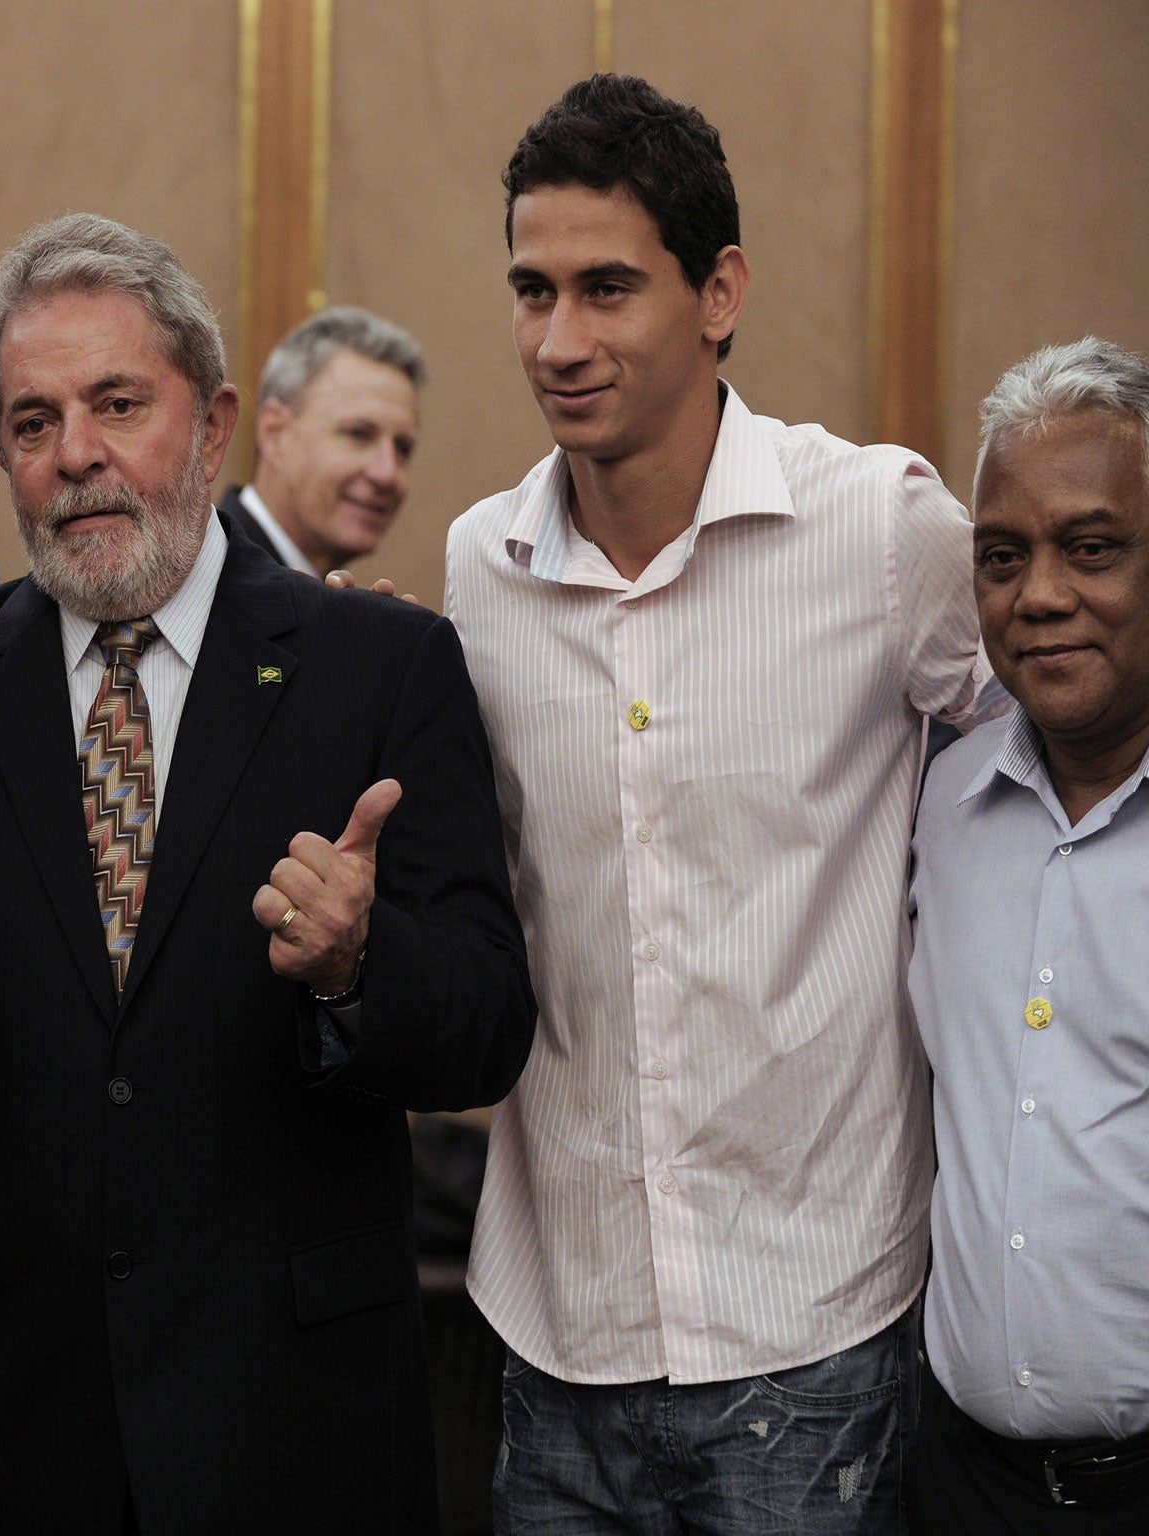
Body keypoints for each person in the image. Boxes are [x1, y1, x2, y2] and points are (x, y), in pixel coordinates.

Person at [0, 212, 534, 1534]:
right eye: (35, 421)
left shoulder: (377, 672)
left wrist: (356, 967)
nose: (78, 455)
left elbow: (485, 1031)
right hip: (4, 1433)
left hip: (293, 1428)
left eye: (118, 404)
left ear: (215, 425)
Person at [443, 75, 990, 1533]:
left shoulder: (881, 531)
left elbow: (1054, 794)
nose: (558, 341)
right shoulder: (478, 571)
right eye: (532, 290)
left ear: (720, 290)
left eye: (607, 288)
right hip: (554, 1341)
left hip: (817, 1341)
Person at [906, 337, 1149, 1533]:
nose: (1038, 594)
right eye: (1000, 558)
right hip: (957, 1487)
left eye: (1090, 548)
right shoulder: (938, 813)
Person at [218, 306, 422, 578]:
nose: (387, 474)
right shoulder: (216, 582)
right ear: (275, 433)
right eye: (358, 434)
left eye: (402, 448)